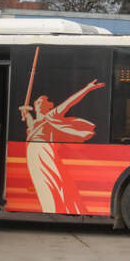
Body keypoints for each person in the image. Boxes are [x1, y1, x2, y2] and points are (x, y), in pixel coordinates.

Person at [19, 79, 105, 214]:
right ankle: (49, 207)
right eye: (38, 102)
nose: (40, 103)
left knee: (53, 182)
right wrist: (25, 112)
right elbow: (29, 120)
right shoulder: (33, 123)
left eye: (43, 101)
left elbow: (70, 102)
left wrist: (87, 88)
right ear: (35, 106)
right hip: (33, 154)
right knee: (43, 185)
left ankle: (57, 207)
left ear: (50, 106)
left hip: (44, 151)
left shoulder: (51, 115)